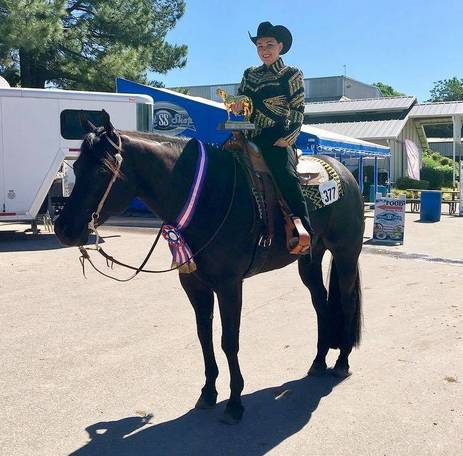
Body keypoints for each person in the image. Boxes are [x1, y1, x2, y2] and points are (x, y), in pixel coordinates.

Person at [235, 21, 312, 252]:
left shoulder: (291, 74)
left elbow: (298, 109)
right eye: (259, 46)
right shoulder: (249, 74)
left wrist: (289, 137)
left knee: (285, 176)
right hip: (247, 135)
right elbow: (241, 100)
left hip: (276, 136)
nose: (264, 50)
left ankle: (303, 231)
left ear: (280, 46)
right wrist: (237, 105)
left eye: (269, 44)